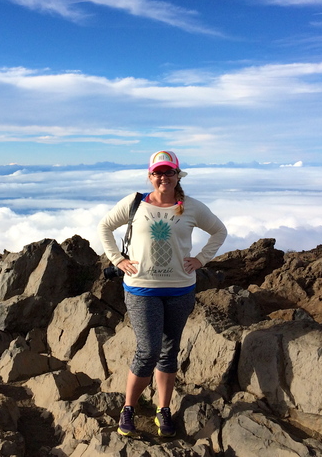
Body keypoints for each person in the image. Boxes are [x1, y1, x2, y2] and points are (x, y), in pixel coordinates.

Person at [98, 150, 227, 438]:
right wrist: (118, 259)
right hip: (142, 289)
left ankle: (163, 409)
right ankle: (129, 407)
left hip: (181, 289)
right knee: (148, 351)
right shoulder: (135, 203)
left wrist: (201, 259)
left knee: (169, 352)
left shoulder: (190, 207)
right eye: (158, 172)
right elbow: (105, 226)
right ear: (150, 176)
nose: (163, 177)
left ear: (177, 175)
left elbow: (219, 231)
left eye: (169, 172)